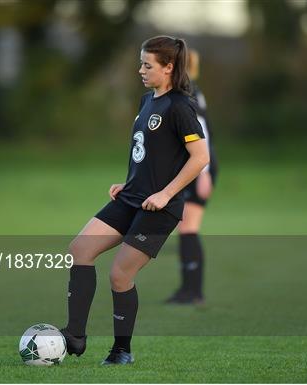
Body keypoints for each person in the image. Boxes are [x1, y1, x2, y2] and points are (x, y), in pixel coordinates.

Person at [60, 36, 210, 365]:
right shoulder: (147, 101)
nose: (140, 70)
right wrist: (128, 183)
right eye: (141, 63)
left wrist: (166, 193)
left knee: (120, 275)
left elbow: (200, 157)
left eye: (147, 65)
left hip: (160, 209)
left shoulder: (180, 106)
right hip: (130, 198)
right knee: (79, 250)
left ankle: (121, 351)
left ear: (169, 68)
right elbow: (151, 154)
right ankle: (74, 335)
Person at [166, 49, 219, 305]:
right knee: (185, 228)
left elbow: (202, 134)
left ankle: (193, 291)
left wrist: (205, 173)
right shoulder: (188, 90)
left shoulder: (188, 92)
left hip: (200, 168)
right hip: (192, 168)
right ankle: (188, 288)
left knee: (188, 227)